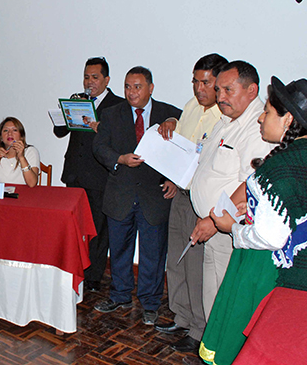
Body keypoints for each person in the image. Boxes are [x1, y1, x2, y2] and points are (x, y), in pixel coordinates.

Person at [199, 77, 307, 365]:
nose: (260, 117)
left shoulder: (280, 167)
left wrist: (233, 228)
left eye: (267, 112)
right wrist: (257, 207)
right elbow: (297, 209)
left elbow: (271, 237)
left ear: (288, 119)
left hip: (268, 270)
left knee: (252, 338)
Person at [93, 66, 181, 325]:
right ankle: (119, 295)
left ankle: (150, 303)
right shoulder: (111, 114)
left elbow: (185, 151)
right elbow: (99, 147)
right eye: (127, 87)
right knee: (119, 250)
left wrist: (174, 180)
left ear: (150, 88)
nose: (131, 92)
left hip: (155, 196)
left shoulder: (170, 114)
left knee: (153, 253)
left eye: (137, 87)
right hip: (120, 194)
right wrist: (119, 159)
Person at [154, 54, 228, 352]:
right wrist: (173, 178)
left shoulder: (224, 116)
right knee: (177, 259)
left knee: (197, 267)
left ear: (219, 83)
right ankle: (181, 316)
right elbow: (183, 149)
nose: (199, 89)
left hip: (203, 202)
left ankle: (199, 328)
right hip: (181, 195)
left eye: (206, 83)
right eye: (195, 82)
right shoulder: (191, 106)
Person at [189, 61, 274, 320]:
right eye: (219, 90)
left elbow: (251, 182)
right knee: (212, 297)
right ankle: (210, 344)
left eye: (228, 90)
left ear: (251, 90)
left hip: (226, 229)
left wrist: (214, 220)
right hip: (212, 225)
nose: (220, 97)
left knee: (227, 302)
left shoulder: (256, 128)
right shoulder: (227, 120)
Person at [54, 57, 124, 291]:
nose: (89, 82)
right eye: (86, 77)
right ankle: (71, 270)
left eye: (95, 77)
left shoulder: (117, 105)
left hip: (99, 176)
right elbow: (59, 131)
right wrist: (66, 110)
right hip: (74, 173)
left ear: (107, 80)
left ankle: (93, 276)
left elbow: (120, 138)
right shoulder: (77, 99)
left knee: (97, 229)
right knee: (73, 227)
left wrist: (100, 126)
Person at [0, 117, 40, 187]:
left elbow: (32, 183)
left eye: (14, 130)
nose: (10, 133)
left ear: (21, 136)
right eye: (6, 130)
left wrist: (21, 157)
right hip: (1, 192)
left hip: (23, 192)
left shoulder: (30, 151)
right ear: (1, 137)